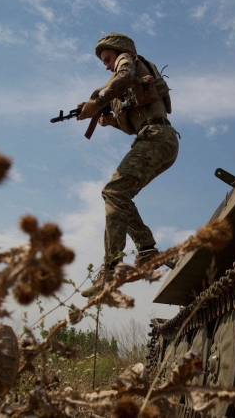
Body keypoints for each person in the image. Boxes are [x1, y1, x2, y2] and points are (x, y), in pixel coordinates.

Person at [76, 33, 179, 297]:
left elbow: (122, 78)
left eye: (107, 59)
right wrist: (110, 120)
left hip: (157, 138)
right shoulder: (131, 72)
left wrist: (97, 102)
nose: (106, 65)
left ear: (119, 51)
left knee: (113, 192)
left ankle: (111, 270)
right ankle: (146, 252)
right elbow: (139, 120)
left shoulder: (127, 60)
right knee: (119, 195)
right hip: (159, 139)